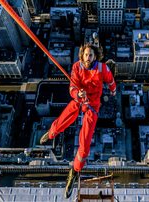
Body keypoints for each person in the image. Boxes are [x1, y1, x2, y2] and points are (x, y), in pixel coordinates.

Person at [39, 44, 116, 198]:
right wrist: (77, 94)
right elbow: (72, 86)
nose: (88, 58)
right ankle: (52, 133)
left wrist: (113, 90)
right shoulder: (77, 67)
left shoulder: (102, 69)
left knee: (85, 144)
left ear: (95, 57)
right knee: (66, 117)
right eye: (86, 55)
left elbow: (111, 80)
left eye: (91, 55)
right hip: (80, 99)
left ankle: (75, 171)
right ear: (82, 56)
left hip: (92, 106)